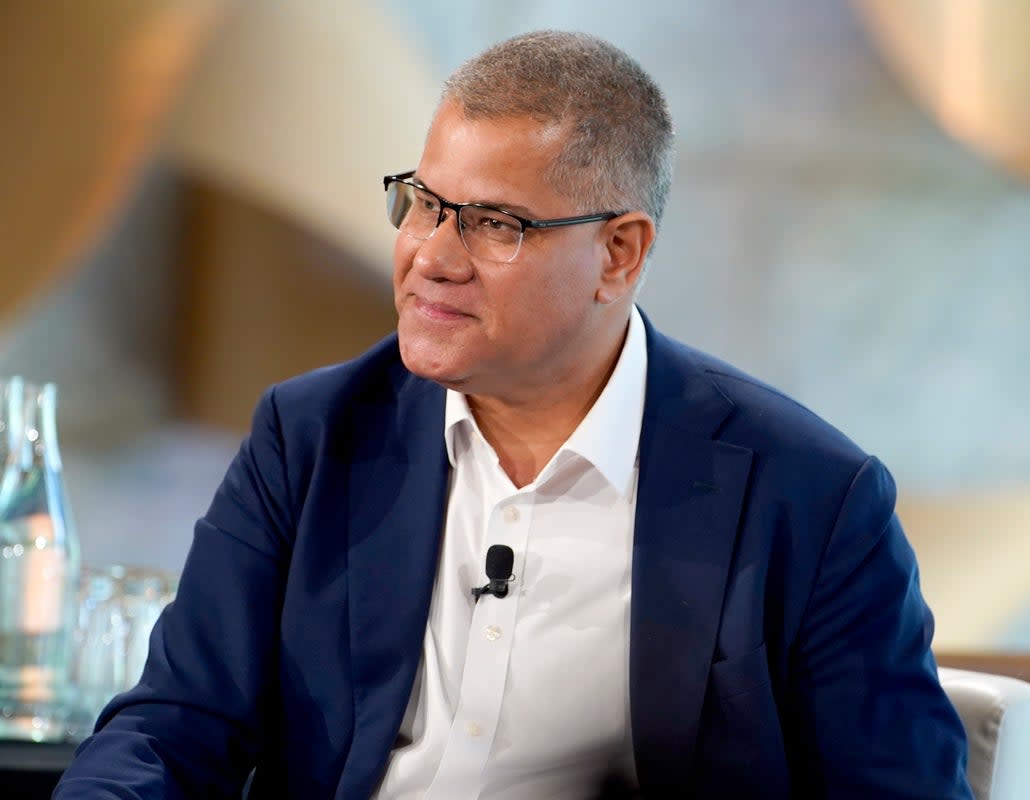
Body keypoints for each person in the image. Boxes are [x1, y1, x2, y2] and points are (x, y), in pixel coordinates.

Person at [55, 30, 972, 799]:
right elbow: (175, 727)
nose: (431, 256)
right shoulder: (314, 435)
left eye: (494, 224)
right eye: (422, 204)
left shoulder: (808, 497)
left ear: (620, 252)